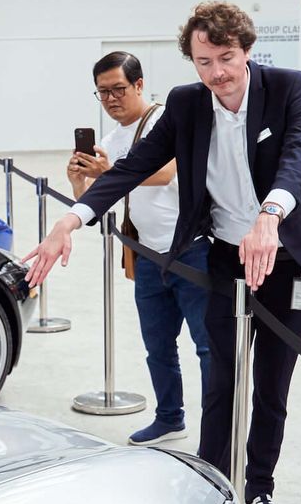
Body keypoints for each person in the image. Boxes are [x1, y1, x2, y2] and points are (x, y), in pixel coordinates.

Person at [24, 0, 301, 504]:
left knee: (272, 380)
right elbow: (134, 166)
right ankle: (212, 486)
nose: (217, 72)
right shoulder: (187, 103)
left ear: (247, 51)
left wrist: (270, 215)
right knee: (221, 376)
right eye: (204, 62)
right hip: (225, 255)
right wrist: (72, 218)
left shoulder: (289, 87)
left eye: (226, 58)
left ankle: (260, 491)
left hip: (287, 254)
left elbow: (298, 157)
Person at [68, 51, 211, 446]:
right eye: (103, 92)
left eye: (118, 89)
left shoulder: (167, 120)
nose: (111, 99)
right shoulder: (110, 141)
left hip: (192, 251)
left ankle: (218, 430)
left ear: (139, 84)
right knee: (158, 347)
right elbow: (101, 202)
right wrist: (80, 183)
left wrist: (110, 172)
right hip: (147, 255)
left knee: (208, 348)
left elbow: (165, 173)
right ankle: (169, 419)